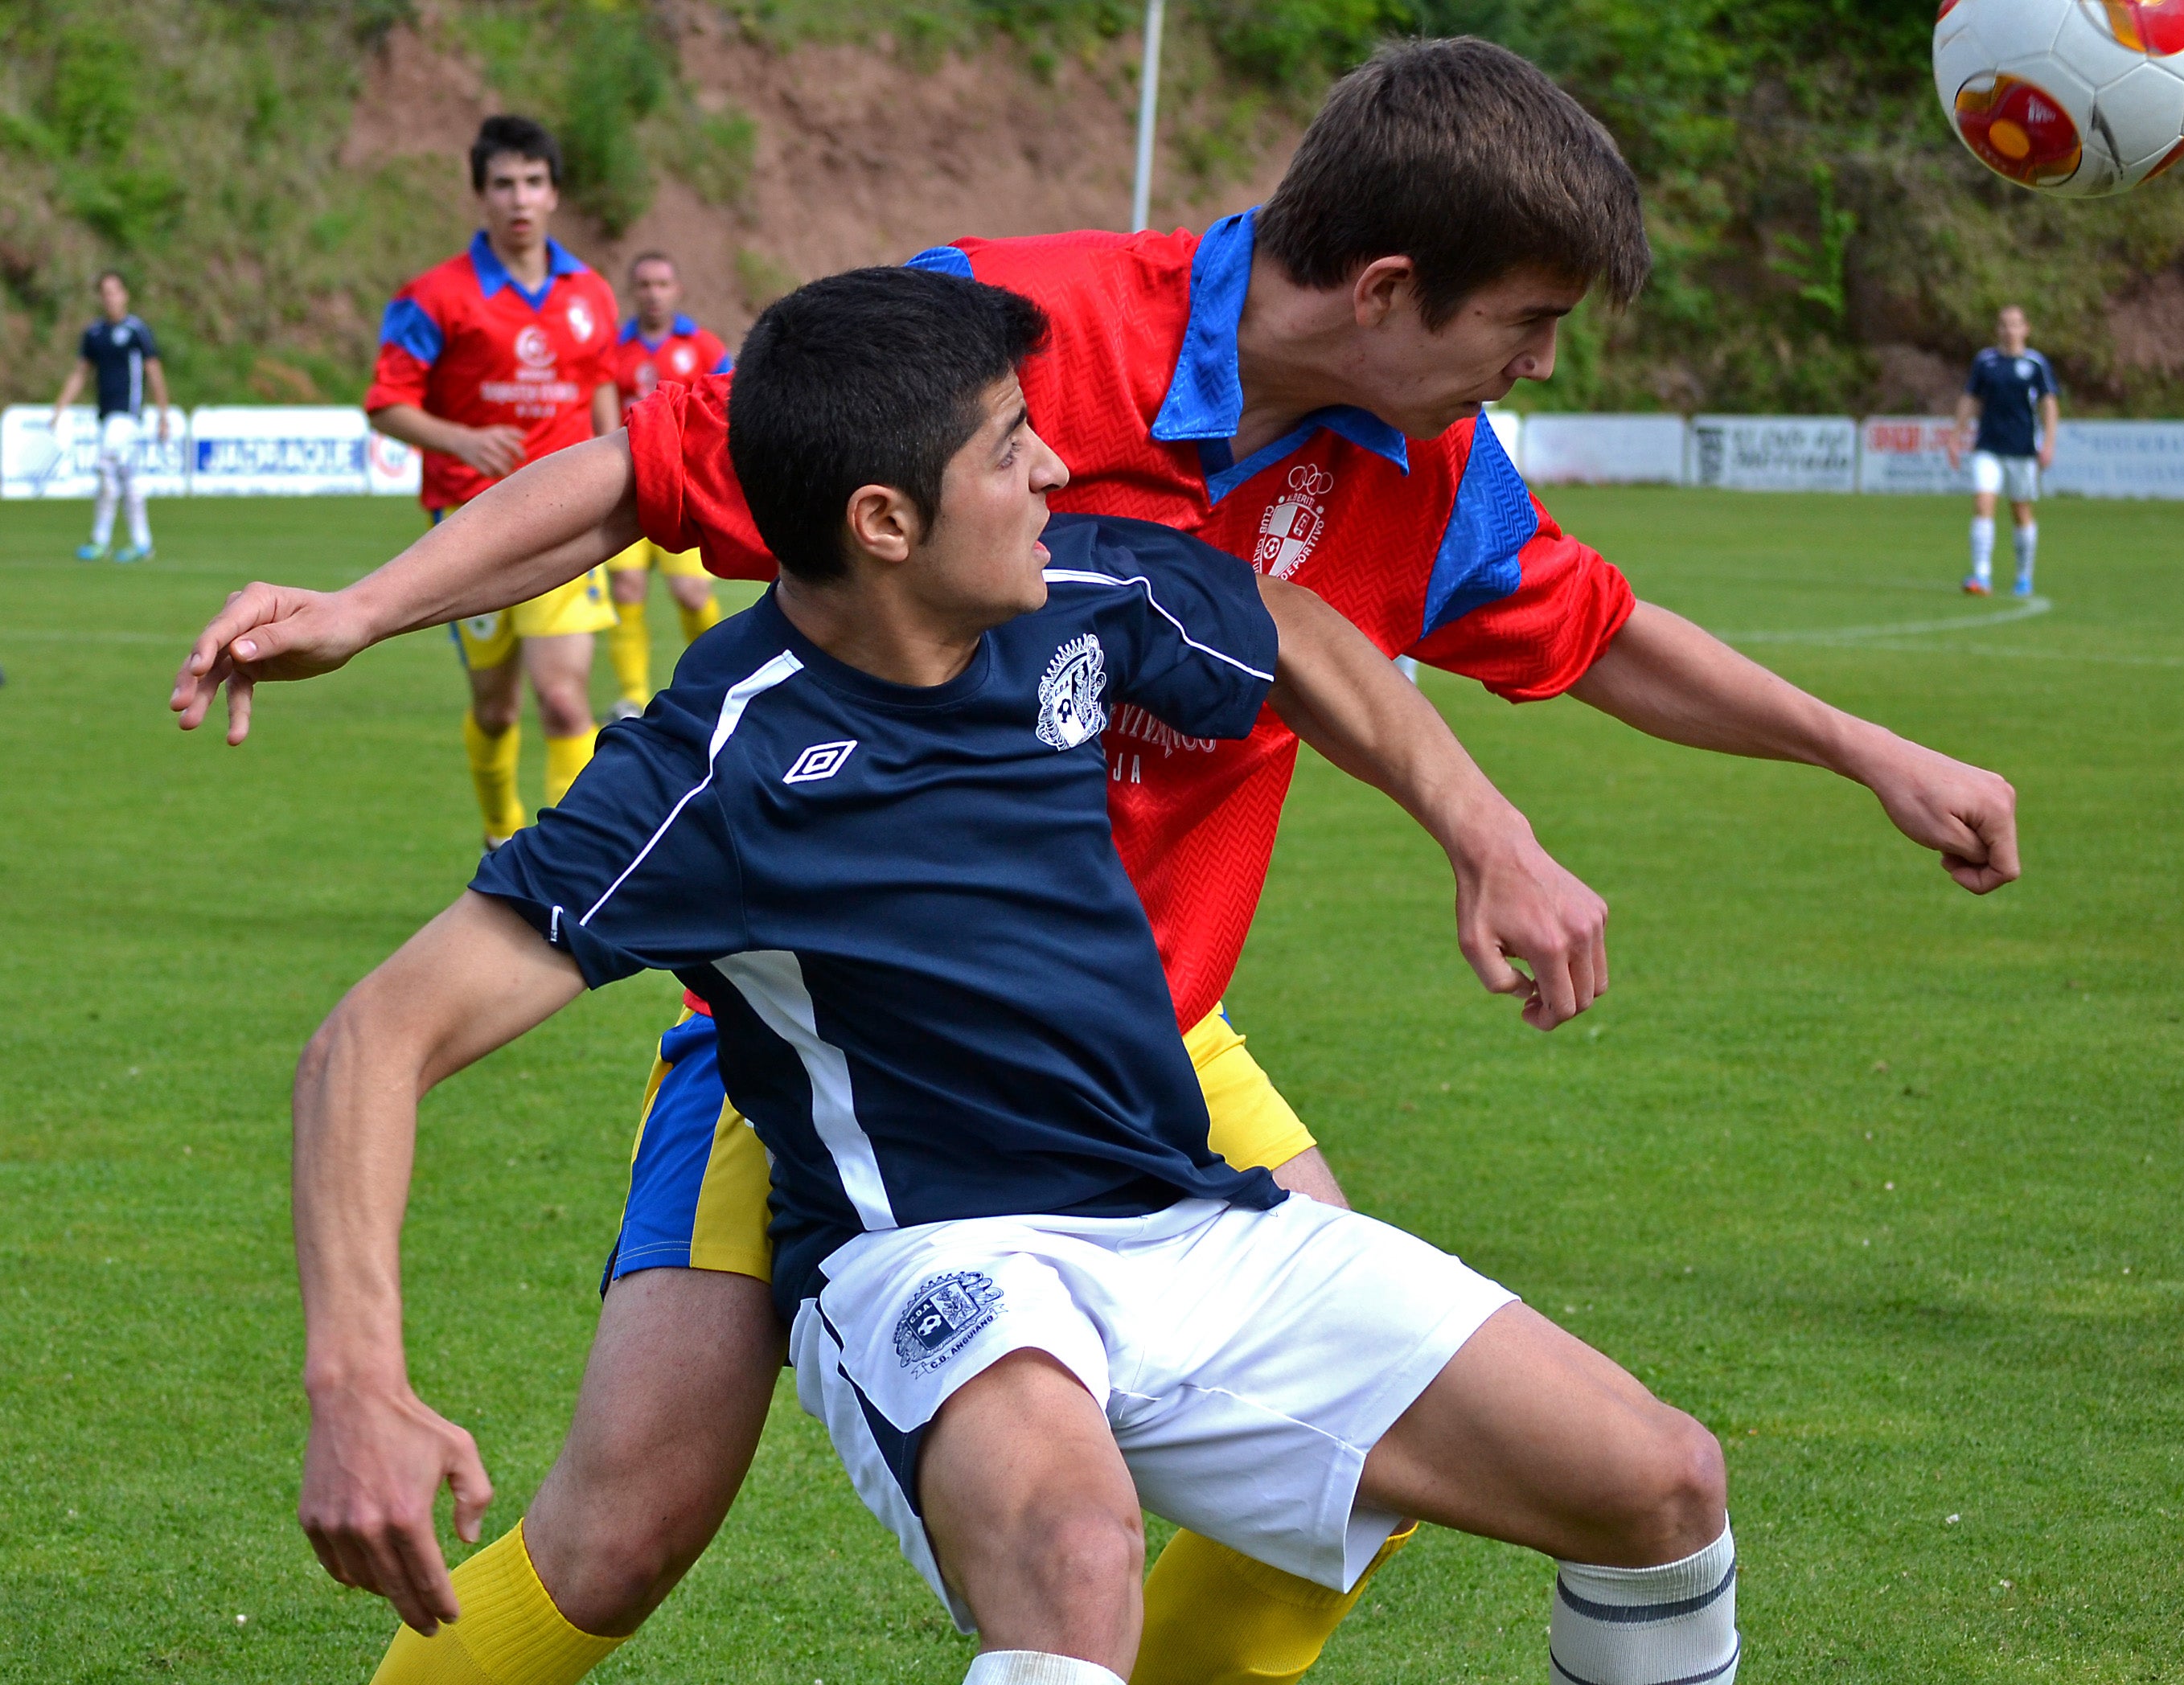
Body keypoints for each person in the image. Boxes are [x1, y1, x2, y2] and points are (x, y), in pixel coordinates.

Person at [171, 39, 2018, 1685]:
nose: (1533, 368)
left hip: (1158, 1036)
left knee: (1375, 1465)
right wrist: (364, 605)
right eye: (1520, 326)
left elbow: (1551, 631)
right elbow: (650, 465)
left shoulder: (1418, 459)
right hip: (858, 1051)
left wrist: (1837, 752)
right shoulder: (1007, 349)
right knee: (622, 1531)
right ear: (1385, 289)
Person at [292, 265, 1742, 1685]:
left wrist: (1482, 831)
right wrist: (357, 1383)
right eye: (1008, 444)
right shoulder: (711, 767)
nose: (1055, 463)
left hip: (1188, 1220)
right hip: (937, 1258)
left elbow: (1291, 630)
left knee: (1659, 1484)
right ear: (884, 521)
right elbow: (374, 1037)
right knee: (1070, 1551)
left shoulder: (1078, 592)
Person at [366, 114, 622, 849]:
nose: (520, 198)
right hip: (470, 521)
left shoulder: (591, 294)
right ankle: (498, 830)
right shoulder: (433, 297)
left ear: (554, 194)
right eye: (504, 183)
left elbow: (603, 396)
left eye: (534, 182)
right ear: (480, 195)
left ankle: (564, 864)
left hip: (571, 518)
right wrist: (463, 439)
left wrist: (628, 486)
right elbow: (386, 402)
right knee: (496, 709)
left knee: (567, 702)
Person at [601, 252, 732, 720]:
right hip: (625, 487)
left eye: (662, 283)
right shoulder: (613, 349)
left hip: (684, 489)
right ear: (632, 292)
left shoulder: (702, 346)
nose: (653, 293)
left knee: (692, 594)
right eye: (645, 285)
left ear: (676, 290)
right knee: (627, 588)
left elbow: (730, 403)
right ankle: (632, 695)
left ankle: (725, 682)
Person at [51, 270, 170, 564]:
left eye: (115, 290)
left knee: (106, 466)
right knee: (127, 480)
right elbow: (81, 373)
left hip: (127, 416)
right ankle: (141, 544)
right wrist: (60, 407)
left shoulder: (136, 331)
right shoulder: (95, 334)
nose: (110, 297)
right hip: (106, 416)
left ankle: (102, 540)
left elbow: (154, 372)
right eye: (105, 292)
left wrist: (163, 414)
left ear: (125, 294)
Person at [1948, 305, 2059, 598]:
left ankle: (2024, 577)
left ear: (2026, 328)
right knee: (1983, 503)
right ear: (1998, 330)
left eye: (2015, 324)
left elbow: (2049, 404)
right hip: (1988, 448)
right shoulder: (1986, 362)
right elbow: (1970, 398)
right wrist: (1956, 436)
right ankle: (1981, 575)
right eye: (2004, 324)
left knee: (2020, 511)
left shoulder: (2035, 364)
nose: (2010, 329)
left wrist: (2048, 444)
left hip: (2022, 450)